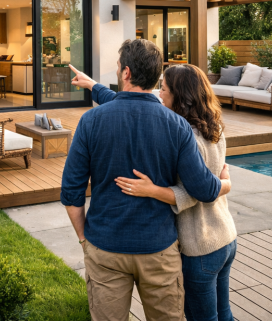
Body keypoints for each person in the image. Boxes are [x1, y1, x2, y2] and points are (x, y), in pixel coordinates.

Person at [61, 39, 228, 321]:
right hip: (159, 251)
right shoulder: (176, 125)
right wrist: (225, 183)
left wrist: (83, 239)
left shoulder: (91, 121)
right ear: (156, 76)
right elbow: (203, 189)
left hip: (105, 248)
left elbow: (71, 192)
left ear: (126, 73)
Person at [114, 65, 237, 321]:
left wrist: (152, 190)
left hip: (200, 245)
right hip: (225, 237)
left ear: (180, 96)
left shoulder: (184, 137)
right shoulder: (214, 127)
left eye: (165, 89)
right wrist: (94, 86)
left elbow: (198, 192)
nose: (160, 94)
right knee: (224, 313)